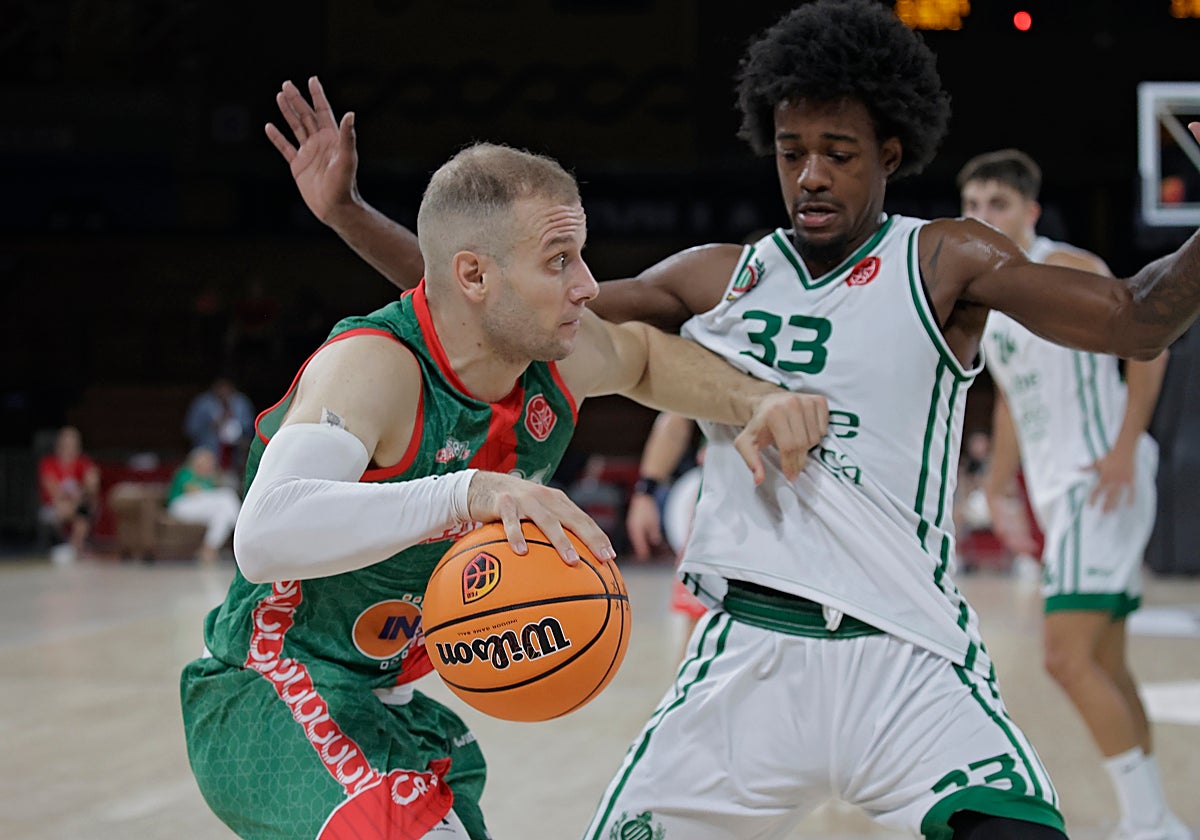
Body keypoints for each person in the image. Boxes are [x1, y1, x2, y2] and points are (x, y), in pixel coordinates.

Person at [271, 2, 1200, 833]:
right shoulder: (720, 274)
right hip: (741, 655)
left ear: (892, 152)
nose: (811, 176)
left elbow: (1138, 316)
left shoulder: (946, 260)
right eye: (793, 151)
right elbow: (497, 309)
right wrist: (348, 212)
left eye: (838, 152)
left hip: (906, 649)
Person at [180, 140, 828, 840]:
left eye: (580, 255)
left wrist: (757, 399)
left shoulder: (557, 360)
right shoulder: (373, 366)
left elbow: (646, 361)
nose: (586, 284)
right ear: (474, 276)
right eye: (559, 261)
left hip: (389, 705)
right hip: (273, 689)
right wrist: (468, 493)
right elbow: (263, 534)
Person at [958, 148, 1187, 839]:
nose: (982, 219)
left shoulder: (1069, 268)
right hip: (1062, 493)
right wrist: (1001, 489)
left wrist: (1122, 449)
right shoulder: (991, 299)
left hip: (1099, 480)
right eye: (971, 206)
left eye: (997, 205)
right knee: (1105, 660)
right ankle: (1153, 815)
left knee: (1063, 656)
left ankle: (1149, 822)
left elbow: (1152, 341)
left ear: (1029, 212)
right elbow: (1008, 406)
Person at [624, 410, 708, 655]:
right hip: (721, 503)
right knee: (699, 634)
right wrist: (646, 492)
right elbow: (676, 416)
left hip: (797, 496)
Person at [165, 447, 243, 566]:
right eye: (205, 461)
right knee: (227, 496)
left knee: (223, 516)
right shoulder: (186, 473)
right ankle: (241, 528)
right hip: (181, 506)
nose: (208, 464)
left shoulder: (209, 478)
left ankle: (208, 549)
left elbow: (208, 496)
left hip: (201, 507)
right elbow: (192, 491)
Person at [37, 425, 101, 564]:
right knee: (68, 510)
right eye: (66, 443)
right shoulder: (49, 463)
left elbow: (91, 487)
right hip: (54, 506)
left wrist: (90, 483)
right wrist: (72, 500)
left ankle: (73, 548)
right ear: (60, 444)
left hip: (77, 506)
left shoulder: (83, 463)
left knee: (83, 513)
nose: (70, 447)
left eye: (73, 443)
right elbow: (54, 491)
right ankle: (69, 548)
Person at [183, 376, 256, 478]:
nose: (224, 390)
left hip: (236, 457)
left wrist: (239, 432)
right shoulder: (203, 403)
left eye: (227, 387)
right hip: (210, 455)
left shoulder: (241, 402)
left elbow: (251, 428)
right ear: (215, 388)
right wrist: (209, 426)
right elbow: (190, 429)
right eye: (221, 387)